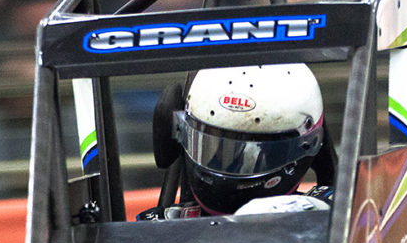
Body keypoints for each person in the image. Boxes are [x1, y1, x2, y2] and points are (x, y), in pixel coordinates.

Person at [139, 62, 335, 219]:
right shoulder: (161, 228)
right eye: (212, 147)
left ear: (305, 145)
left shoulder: (329, 219)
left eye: (253, 152)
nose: (225, 165)